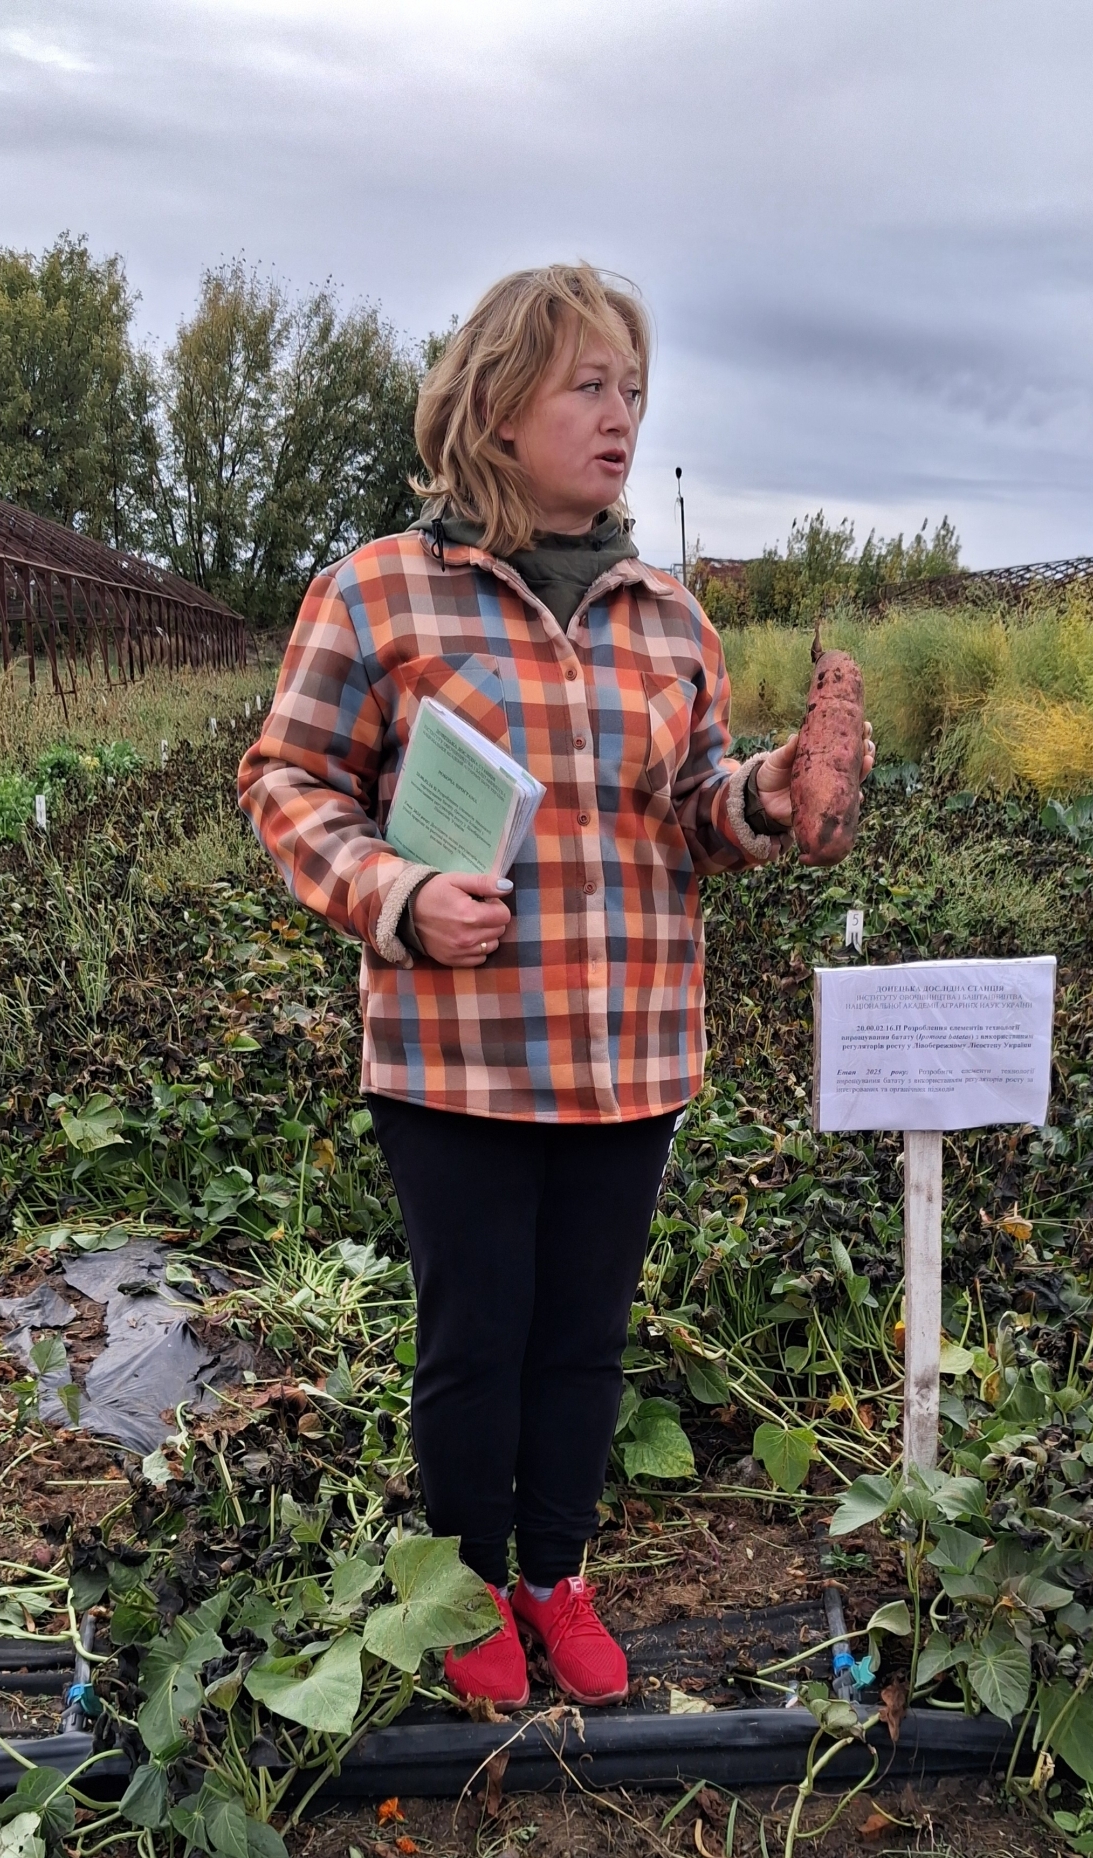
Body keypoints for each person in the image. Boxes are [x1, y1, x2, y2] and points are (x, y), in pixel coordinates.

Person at [239, 262, 869, 1710]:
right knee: (478, 1338)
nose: (619, 416)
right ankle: (463, 1583)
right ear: (496, 405)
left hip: (627, 1051)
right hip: (458, 1055)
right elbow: (288, 779)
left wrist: (766, 795)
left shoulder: (670, 618)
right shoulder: (378, 593)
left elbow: (689, 811)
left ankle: (554, 1573)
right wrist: (395, 897)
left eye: (633, 390)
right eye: (588, 385)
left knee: (582, 1340)